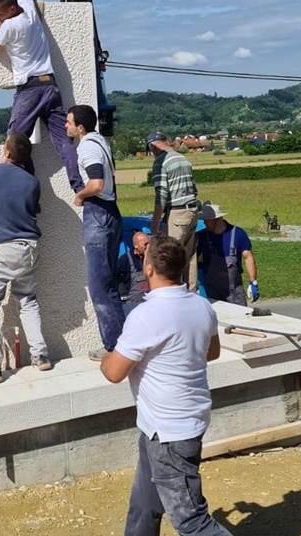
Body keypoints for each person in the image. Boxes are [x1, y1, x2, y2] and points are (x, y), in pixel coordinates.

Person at [99, 235, 231, 536]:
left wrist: (106, 357)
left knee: (192, 522)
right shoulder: (202, 307)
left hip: (170, 433)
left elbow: (114, 373)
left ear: (148, 270)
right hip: (164, 425)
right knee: (144, 506)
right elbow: (212, 352)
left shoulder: (146, 315)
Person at [0, 0, 83, 193]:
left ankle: (27, 193)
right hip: (50, 86)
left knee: (14, 143)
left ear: (8, 11)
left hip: (28, 90)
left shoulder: (9, 26)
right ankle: (79, 186)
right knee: (64, 142)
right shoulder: (28, 9)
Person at [0, 133, 53, 384]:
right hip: (29, 247)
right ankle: (40, 356)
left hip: (3, 249)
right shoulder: (32, 182)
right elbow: (34, 210)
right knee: (27, 300)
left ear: (6, 151)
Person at [66, 104, 125, 361]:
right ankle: (122, 342)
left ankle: (114, 346)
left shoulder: (87, 147)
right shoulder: (100, 141)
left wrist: (80, 195)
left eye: (68, 123)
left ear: (80, 127)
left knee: (100, 287)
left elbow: (97, 183)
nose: (65, 126)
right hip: (111, 212)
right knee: (109, 282)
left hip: (98, 213)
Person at [146, 131, 201, 292]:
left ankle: (173, 294)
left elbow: (161, 195)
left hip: (176, 213)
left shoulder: (161, 161)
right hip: (191, 210)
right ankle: (192, 293)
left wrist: (155, 223)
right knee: (189, 257)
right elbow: (193, 187)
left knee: (171, 256)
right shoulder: (182, 158)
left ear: (152, 146)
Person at [197, 203, 259, 306]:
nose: (204, 222)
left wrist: (253, 282)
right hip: (211, 291)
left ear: (218, 219)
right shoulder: (201, 236)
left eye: (207, 220)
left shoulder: (238, 234)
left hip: (234, 291)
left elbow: (248, 257)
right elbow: (191, 258)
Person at [117, 230, 150, 312]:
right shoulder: (125, 260)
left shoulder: (152, 259)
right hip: (131, 307)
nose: (148, 247)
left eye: (149, 243)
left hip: (149, 305)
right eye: (145, 244)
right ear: (136, 245)